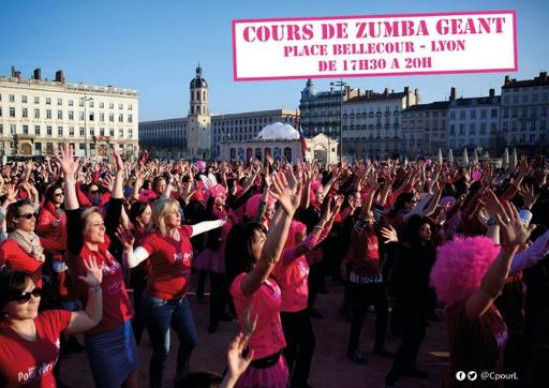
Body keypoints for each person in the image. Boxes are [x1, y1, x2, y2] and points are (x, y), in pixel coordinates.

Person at [119, 197, 225, 387]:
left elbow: (202, 226)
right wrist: (127, 249)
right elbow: (131, 262)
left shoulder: (183, 232)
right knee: (162, 351)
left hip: (180, 300)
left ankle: (181, 377)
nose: (179, 214)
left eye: (179, 210)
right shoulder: (154, 239)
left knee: (190, 339)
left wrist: (221, 221)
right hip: (159, 302)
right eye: (174, 211)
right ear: (162, 216)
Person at [59, 143, 140, 388]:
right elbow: (73, 220)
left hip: (125, 326)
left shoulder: (105, 245)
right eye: (95, 224)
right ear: (83, 232)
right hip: (101, 334)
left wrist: (119, 171)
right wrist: (69, 178)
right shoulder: (78, 254)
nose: (102, 226)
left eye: (100, 223)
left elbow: (114, 209)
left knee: (133, 383)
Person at [430, 199, 534, 388]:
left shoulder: (484, 303)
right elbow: (490, 289)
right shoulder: (462, 310)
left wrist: (494, 222)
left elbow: (490, 252)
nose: (492, 270)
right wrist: (509, 251)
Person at [225, 166, 301, 388]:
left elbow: (270, 247)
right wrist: (287, 213)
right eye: (260, 240)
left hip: (276, 360)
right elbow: (269, 258)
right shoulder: (242, 283)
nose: (266, 241)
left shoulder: (260, 276)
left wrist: (288, 201)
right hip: (259, 369)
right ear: (247, 249)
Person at [0, 262, 103, 387]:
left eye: (36, 292)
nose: (34, 300)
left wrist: (95, 287)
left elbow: (91, 318)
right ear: (4, 305)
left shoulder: (51, 320)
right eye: (24, 296)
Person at [382, 216, 435, 387]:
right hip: (408, 301)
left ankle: (409, 365)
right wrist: (397, 241)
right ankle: (393, 375)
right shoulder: (408, 247)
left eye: (429, 229)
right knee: (410, 337)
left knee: (419, 334)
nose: (428, 232)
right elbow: (405, 252)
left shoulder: (427, 246)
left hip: (421, 299)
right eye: (423, 229)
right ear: (415, 231)